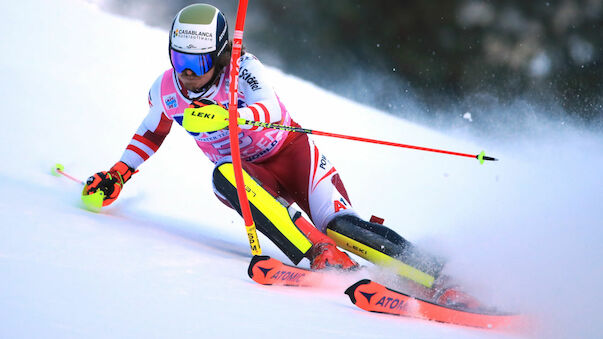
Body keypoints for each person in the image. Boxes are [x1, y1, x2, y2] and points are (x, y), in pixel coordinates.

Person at [84, 3, 466, 305]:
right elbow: (152, 131)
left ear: (217, 57)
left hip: (294, 156)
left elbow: (268, 110)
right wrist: (118, 173)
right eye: (178, 60)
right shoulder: (168, 89)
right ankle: (322, 255)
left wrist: (230, 115)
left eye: (196, 63)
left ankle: (440, 277)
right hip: (252, 177)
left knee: (342, 227)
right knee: (224, 175)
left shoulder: (244, 70)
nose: (186, 74)